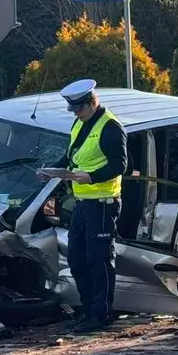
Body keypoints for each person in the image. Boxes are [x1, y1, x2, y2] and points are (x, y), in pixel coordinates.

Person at [39, 80, 126, 333]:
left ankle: (101, 314)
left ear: (92, 103)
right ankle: (88, 310)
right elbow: (71, 155)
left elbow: (120, 165)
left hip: (102, 203)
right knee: (77, 260)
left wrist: (92, 176)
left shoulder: (110, 127)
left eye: (79, 109)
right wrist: (53, 171)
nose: (75, 113)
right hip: (82, 203)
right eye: (73, 110)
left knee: (98, 260)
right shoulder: (80, 123)